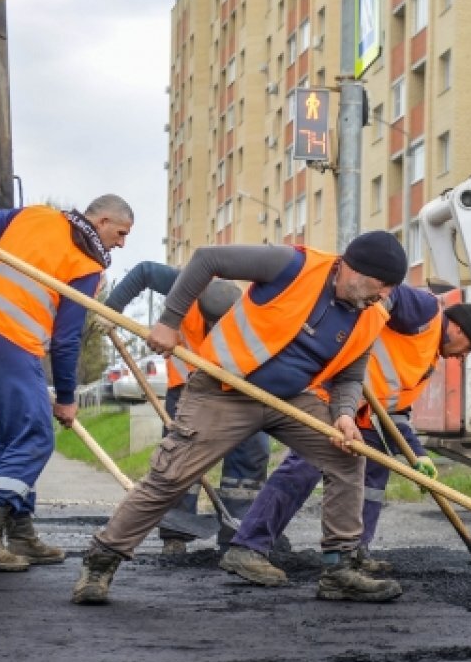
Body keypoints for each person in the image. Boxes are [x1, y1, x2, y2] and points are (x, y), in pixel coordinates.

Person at [72, 231, 409, 605]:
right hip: (224, 388)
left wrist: (344, 416)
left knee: (347, 457)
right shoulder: (294, 265)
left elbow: (349, 376)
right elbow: (207, 258)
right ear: (354, 270)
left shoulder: (372, 316)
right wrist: (169, 322)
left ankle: (339, 569)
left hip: (292, 400)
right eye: (382, 286)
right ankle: (101, 561)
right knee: (170, 477)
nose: (384, 296)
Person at [219, 289, 471, 586]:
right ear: (459, 329)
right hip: (331, 397)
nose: (464, 357)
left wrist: (418, 455)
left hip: (363, 416)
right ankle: (247, 547)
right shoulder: (428, 312)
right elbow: (392, 293)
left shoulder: (426, 361)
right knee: (304, 467)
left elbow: (395, 413)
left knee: (374, 471)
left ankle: (354, 549)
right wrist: (363, 325)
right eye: (470, 347)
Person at [0, 195, 132, 571]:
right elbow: (66, 340)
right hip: (12, 340)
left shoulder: (35, 216)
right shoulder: (87, 262)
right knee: (35, 436)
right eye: (120, 232)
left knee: (5, 436)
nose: (122, 243)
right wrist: (66, 398)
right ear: (101, 221)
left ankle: (20, 533)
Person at [98, 261, 271, 555]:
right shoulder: (186, 284)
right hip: (188, 386)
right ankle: (176, 534)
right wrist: (110, 310)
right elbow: (143, 272)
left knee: (250, 457)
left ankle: (238, 533)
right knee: (178, 460)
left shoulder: (257, 311)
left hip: (240, 389)